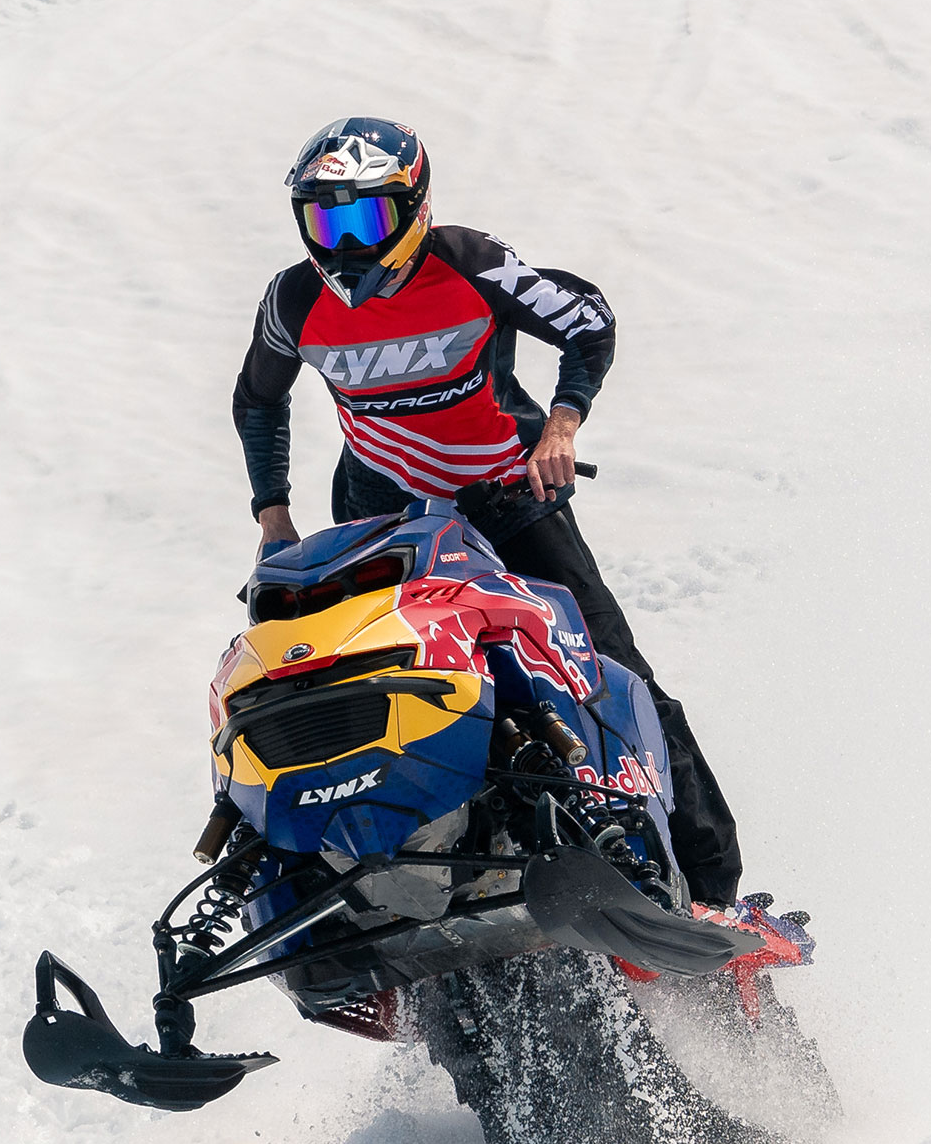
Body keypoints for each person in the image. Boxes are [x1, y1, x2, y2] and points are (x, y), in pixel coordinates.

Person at [231, 115, 747, 905]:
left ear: (414, 209)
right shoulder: (293, 300)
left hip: (507, 497)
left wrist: (564, 425)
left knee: (612, 674)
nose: (342, 245)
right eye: (322, 220)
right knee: (355, 677)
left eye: (363, 219)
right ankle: (373, 878)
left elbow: (590, 322)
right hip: (382, 518)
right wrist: (274, 516)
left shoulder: (473, 264)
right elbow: (257, 399)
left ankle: (712, 889)